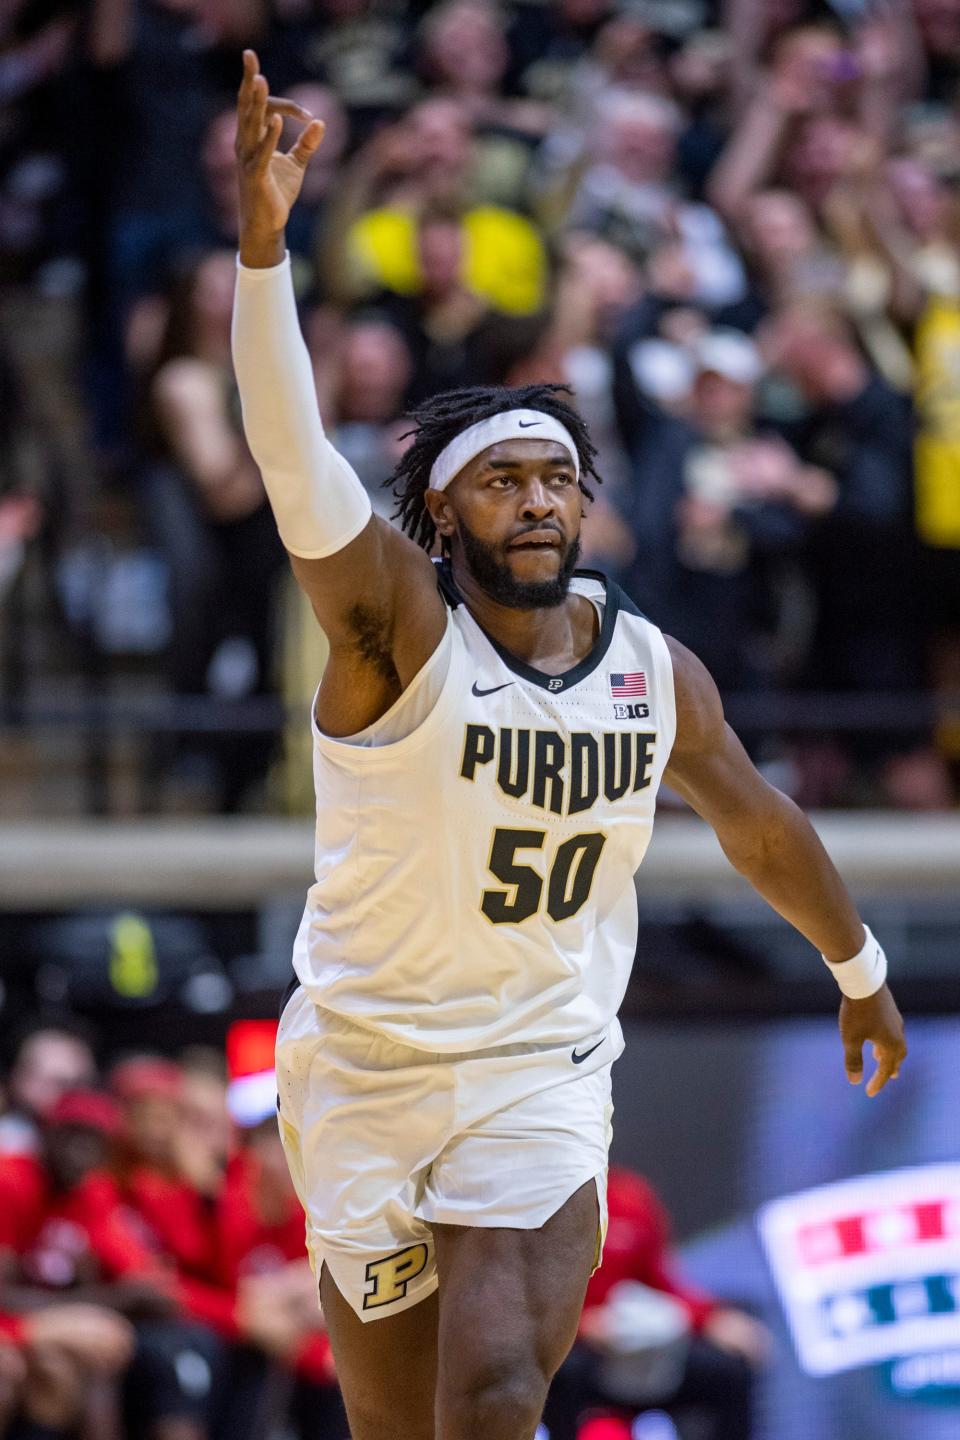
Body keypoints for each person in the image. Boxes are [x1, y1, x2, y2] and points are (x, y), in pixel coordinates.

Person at [231, 51, 907, 1440]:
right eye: (501, 480)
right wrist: (263, 255)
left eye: (556, 478)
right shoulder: (397, 636)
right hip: (360, 1062)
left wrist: (861, 970)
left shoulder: (653, 668)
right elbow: (297, 461)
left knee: (489, 1398)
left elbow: (760, 822)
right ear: (443, 518)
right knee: (401, 1423)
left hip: (539, 1063)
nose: (537, 500)